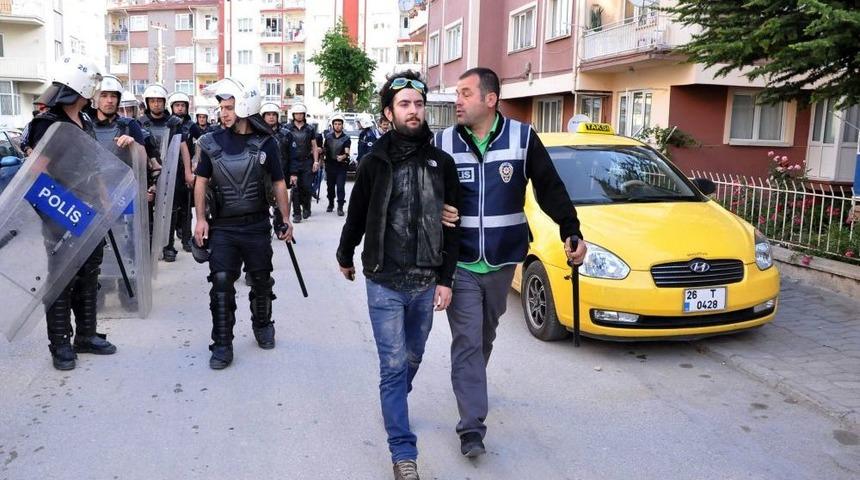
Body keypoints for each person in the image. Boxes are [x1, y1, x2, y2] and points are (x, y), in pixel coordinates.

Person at [436, 67, 587, 457]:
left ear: (490, 99)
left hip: (504, 262)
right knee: (468, 340)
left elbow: (550, 187)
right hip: (462, 262)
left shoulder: (522, 138)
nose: (457, 100)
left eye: (465, 93)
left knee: (484, 336)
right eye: (457, 93)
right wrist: (435, 209)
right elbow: (425, 192)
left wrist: (571, 228)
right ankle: (471, 426)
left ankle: (472, 384)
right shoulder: (444, 143)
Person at [336, 70, 460, 480]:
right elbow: (357, 214)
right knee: (392, 365)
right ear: (389, 112)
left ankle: (395, 400)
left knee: (413, 356)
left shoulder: (442, 163)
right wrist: (345, 254)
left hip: (426, 283)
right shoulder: (374, 163)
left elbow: (453, 227)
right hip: (384, 281)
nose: (413, 111)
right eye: (404, 104)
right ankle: (403, 452)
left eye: (418, 104)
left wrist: (446, 279)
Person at [193, 78, 293, 370]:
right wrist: (200, 219)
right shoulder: (210, 143)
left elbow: (278, 182)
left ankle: (262, 325)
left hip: (257, 225)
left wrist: (285, 218)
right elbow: (200, 182)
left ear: (245, 107)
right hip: (223, 227)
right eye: (222, 107)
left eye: (229, 107)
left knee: (261, 279)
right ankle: (222, 344)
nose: (223, 113)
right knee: (221, 283)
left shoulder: (265, 143)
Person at [25, 56, 118, 370]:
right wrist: (60, 211)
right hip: (61, 211)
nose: (94, 91)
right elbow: (36, 174)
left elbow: (93, 166)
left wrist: (104, 198)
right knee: (61, 278)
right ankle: (61, 345)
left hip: (90, 210)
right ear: (79, 87)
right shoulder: (46, 124)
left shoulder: (86, 120)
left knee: (89, 273)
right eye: (90, 85)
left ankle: (86, 335)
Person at [138, 84, 194, 261]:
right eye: (152, 101)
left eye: (159, 101)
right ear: (147, 103)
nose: (156, 104)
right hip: (147, 174)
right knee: (147, 212)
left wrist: (187, 172)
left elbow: (184, 146)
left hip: (171, 172)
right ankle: (148, 247)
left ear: (164, 103)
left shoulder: (174, 123)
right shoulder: (139, 123)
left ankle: (168, 246)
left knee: (170, 211)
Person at [260, 101, 296, 228]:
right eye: (268, 114)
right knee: (262, 201)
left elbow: (293, 156)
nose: (271, 117)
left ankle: (279, 224)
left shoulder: (286, 134)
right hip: (262, 174)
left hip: (280, 173)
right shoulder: (257, 134)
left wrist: (293, 173)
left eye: (273, 114)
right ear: (263, 116)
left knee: (279, 202)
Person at [168, 91, 195, 253]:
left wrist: (194, 165)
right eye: (177, 105)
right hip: (171, 171)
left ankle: (187, 239)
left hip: (187, 170)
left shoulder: (192, 126)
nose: (180, 108)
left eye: (182, 105)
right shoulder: (169, 124)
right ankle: (168, 244)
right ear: (172, 107)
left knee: (187, 208)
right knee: (171, 209)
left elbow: (200, 144)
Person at [283, 103, 319, 223]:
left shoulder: (310, 129)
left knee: (307, 187)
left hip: (307, 162)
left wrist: (315, 161)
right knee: (295, 188)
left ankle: (307, 208)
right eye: (297, 113)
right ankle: (296, 213)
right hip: (292, 162)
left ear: (304, 115)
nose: (299, 115)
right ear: (293, 115)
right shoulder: (287, 128)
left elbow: (314, 146)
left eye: (301, 113)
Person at [323, 114, 350, 216]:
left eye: (339, 124)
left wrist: (343, 156)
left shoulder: (346, 138)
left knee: (340, 187)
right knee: (330, 187)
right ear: (332, 125)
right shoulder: (328, 137)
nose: (337, 126)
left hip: (341, 166)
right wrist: (320, 158)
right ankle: (331, 203)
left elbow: (347, 152)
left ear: (342, 125)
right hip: (330, 165)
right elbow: (324, 150)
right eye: (335, 124)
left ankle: (340, 207)